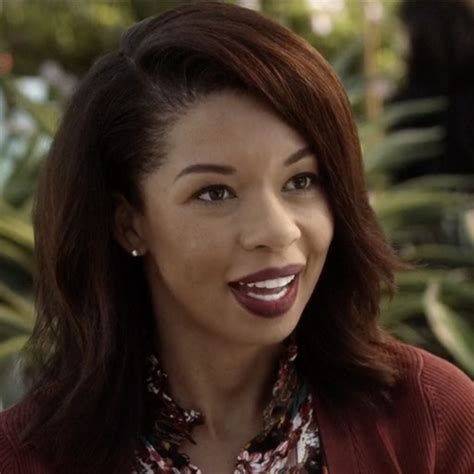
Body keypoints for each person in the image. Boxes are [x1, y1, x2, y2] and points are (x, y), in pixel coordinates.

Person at [0, 2, 472, 473]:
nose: (278, 230)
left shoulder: (432, 421)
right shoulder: (23, 458)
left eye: (301, 180)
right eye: (215, 192)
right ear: (128, 223)